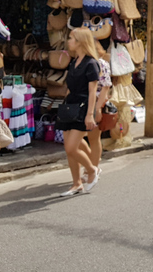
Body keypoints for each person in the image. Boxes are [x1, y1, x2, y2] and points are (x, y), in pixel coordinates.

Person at [57, 28, 100, 197]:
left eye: (71, 38)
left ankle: (91, 170)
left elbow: (92, 92)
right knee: (68, 148)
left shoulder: (91, 64)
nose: (68, 41)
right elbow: (69, 88)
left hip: (83, 107)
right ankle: (76, 183)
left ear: (81, 41)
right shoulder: (73, 62)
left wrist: (90, 114)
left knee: (71, 148)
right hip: (70, 106)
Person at [79, 41, 111, 174]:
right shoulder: (81, 62)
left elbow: (105, 87)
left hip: (97, 101)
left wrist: (98, 108)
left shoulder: (101, 63)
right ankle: (91, 163)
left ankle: (94, 167)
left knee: (93, 137)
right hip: (81, 102)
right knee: (77, 137)